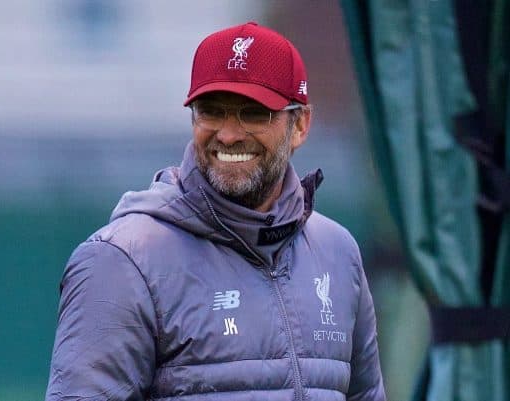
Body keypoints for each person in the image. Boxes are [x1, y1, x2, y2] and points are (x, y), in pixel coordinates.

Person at [45, 22, 385, 401]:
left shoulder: (337, 253)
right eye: (211, 112)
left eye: (254, 114)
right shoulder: (122, 261)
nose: (228, 134)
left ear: (301, 124)